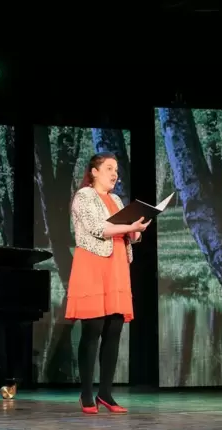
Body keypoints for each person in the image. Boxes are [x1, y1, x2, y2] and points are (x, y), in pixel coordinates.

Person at [65, 152, 150, 414]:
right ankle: (86, 394)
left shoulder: (115, 199)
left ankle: (105, 394)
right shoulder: (84, 196)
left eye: (117, 170)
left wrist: (135, 230)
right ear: (94, 171)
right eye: (110, 168)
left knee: (113, 331)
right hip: (92, 264)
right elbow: (96, 228)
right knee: (93, 330)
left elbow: (127, 234)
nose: (115, 174)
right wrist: (127, 228)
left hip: (116, 265)